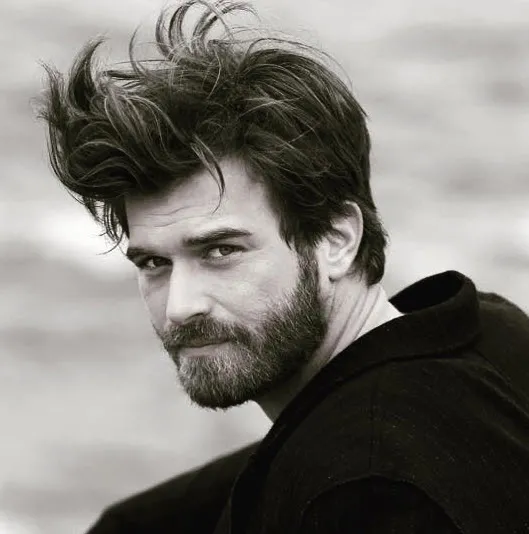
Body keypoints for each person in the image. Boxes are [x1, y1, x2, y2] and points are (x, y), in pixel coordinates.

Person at [37, 1, 529, 532]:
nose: (180, 307)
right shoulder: (487, 333)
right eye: (154, 262)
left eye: (220, 252)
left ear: (337, 239)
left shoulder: (368, 495)